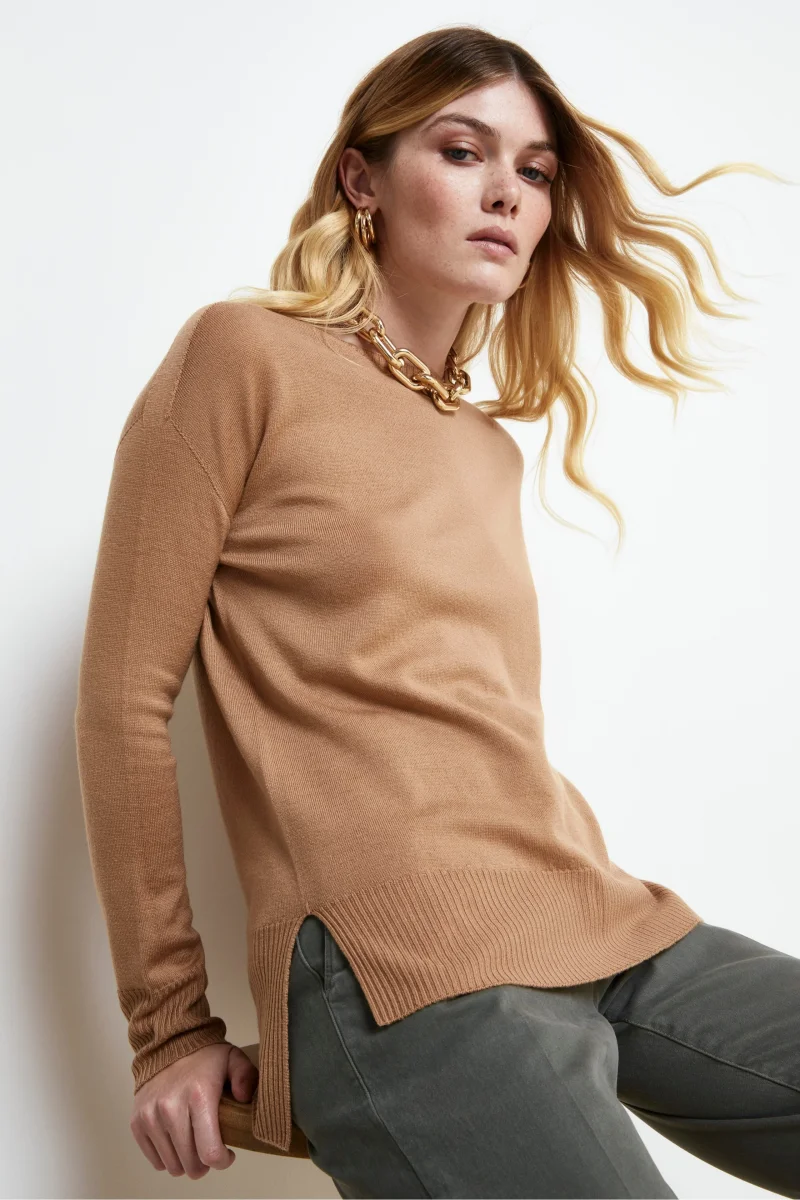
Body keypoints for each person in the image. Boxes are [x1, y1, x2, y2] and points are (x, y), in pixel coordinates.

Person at [74, 24, 798, 1200]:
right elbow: (121, 702)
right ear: (360, 180)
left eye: (533, 171)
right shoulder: (242, 355)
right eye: (463, 152)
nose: (505, 193)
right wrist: (169, 1026)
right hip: (403, 961)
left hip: (592, 916)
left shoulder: (485, 448)